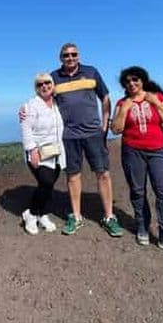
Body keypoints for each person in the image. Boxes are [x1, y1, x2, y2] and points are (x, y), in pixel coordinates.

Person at [111, 66, 163, 256]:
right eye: (128, 81)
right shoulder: (122, 102)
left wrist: (156, 102)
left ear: (143, 80)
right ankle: (142, 226)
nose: (132, 83)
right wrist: (125, 110)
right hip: (132, 152)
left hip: (157, 152)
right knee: (138, 191)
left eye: (135, 80)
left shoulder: (158, 98)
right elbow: (115, 129)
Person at [47, 42, 123, 237]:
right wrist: (26, 111)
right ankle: (77, 216)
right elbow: (44, 100)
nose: (70, 58)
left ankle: (109, 217)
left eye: (73, 54)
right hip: (68, 135)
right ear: (60, 58)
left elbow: (105, 97)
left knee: (103, 173)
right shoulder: (54, 77)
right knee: (73, 175)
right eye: (66, 55)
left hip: (92, 133)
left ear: (78, 55)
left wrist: (105, 123)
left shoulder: (91, 72)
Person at [19, 73, 66, 234]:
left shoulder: (57, 104)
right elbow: (26, 129)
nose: (44, 86)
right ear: (36, 88)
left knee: (49, 185)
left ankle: (42, 213)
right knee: (45, 182)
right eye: (40, 85)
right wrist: (32, 151)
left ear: (53, 85)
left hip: (56, 152)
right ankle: (31, 214)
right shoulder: (31, 106)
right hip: (38, 152)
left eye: (47, 83)